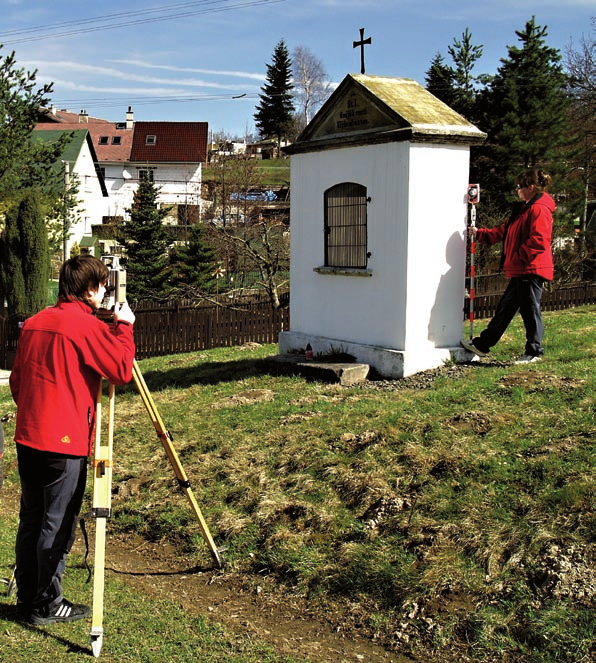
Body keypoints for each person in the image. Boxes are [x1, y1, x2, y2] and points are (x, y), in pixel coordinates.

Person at [9, 254, 136, 626]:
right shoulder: (83, 326)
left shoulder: (34, 323)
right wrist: (124, 328)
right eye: (102, 287)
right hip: (62, 442)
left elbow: (18, 382)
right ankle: (46, 604)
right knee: (56, 522)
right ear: (91, 289)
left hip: (29, 435)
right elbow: (120, 369)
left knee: (32, 519)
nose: (104, 294)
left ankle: (28, 597)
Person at [461, 169, 555, 364]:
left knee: (530, 310)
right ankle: (483, 345)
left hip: (530, 269)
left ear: (531, 187)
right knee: (505, 308)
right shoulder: (523, 210)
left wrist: (519, 256)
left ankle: (534, 352)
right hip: (521, 270)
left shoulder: (538, 209)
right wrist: (479, 234)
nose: (517, 190)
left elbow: (539, 240)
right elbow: (503, 232)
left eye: (520, 186)